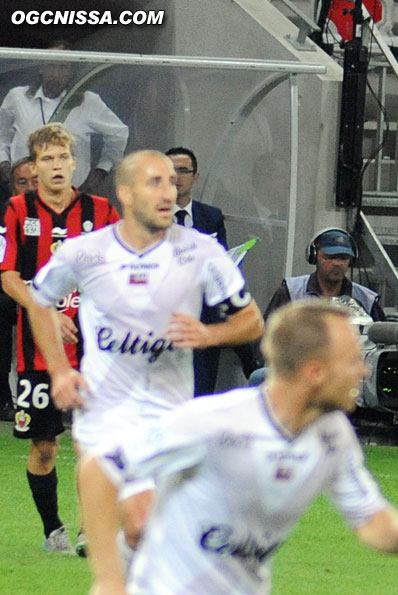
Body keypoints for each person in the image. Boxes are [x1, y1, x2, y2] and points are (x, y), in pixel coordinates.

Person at [78, 300, 398, 595]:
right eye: (353, 360)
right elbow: (98, 468)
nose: (364, 370)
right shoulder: (215, 422)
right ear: (314, 372)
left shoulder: (332, 434)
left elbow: (368, 517)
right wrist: (109, 584)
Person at [25, 149, 263, 559]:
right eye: (155, 182)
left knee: (139, 528)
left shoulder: (201, 251)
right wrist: (61, 372)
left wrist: (208, 333)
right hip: (105, 412)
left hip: (166, 413)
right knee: (140, 520)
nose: (169, 191)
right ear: (126, 194)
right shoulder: (86, 252)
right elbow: (38, 300)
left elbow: (252, 321)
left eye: (172, 181)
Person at [1, 123, 120, 555]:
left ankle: (91, 529)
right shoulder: (17, 210)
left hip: (94, 347)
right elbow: (9, 276)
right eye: (46, 158)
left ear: (75, 163)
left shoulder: (102, 211)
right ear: (35, 165)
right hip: (38, 350)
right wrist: (47, 311)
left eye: (62, 158)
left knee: (91, 438)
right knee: (45, 445)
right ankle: (54, 530)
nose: (55, 166)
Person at [247, 226, 386, 385]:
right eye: (330, 257)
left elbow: (381, 346)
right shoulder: (292, 292)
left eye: (343, 258)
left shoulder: (366, 299)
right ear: (314, 256)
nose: (337, 264)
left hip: (349, 379)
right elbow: (266, 336)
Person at [0, 40, 128, 193]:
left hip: (69, 194)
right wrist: (3, 162)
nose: (55, 73)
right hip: (26, 192)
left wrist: (102, 169)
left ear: (71, 71)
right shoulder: (17, 97)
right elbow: (2, 133)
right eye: (51, 65)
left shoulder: (88, 101)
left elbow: (119, 133)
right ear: (41, 67)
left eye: (63, 67)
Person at [165, 146, 234, 396]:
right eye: (171, 171)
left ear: (195, 176)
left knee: (201, 390)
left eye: (184, 171)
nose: (177, 177)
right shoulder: (149, 216)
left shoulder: (211, 216)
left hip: (203, 316)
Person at [0, 157, 38, 421]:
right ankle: (5, 398)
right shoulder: (4, 215)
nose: (27, 187)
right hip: (8, 292)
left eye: (33, 181)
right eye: (21, 182)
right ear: (12, 186)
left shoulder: (66, 214)